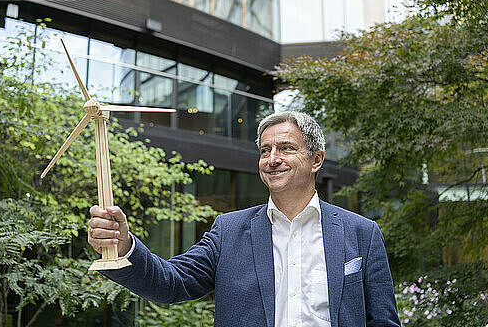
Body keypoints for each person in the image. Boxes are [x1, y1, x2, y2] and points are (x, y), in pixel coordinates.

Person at [88, 111, 401, 327]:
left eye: (286, 148)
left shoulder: (361, 232)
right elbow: (171, 283)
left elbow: (383, 321)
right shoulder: (229, 230)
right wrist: (123, 245)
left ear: (316, 159)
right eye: (265, 151)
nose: (273, 159)